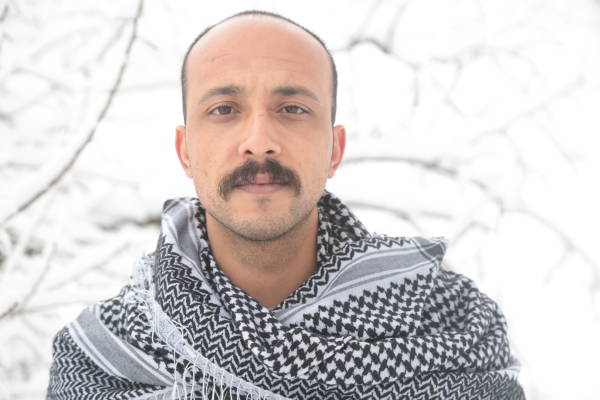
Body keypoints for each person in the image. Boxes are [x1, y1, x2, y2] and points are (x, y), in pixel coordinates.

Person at [47, 10, 525, 400]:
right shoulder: (103, 358)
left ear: (334, 150)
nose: (259, 141)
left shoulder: (456, 329)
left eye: (292, 109)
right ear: (185, 150)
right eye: (224, 110)